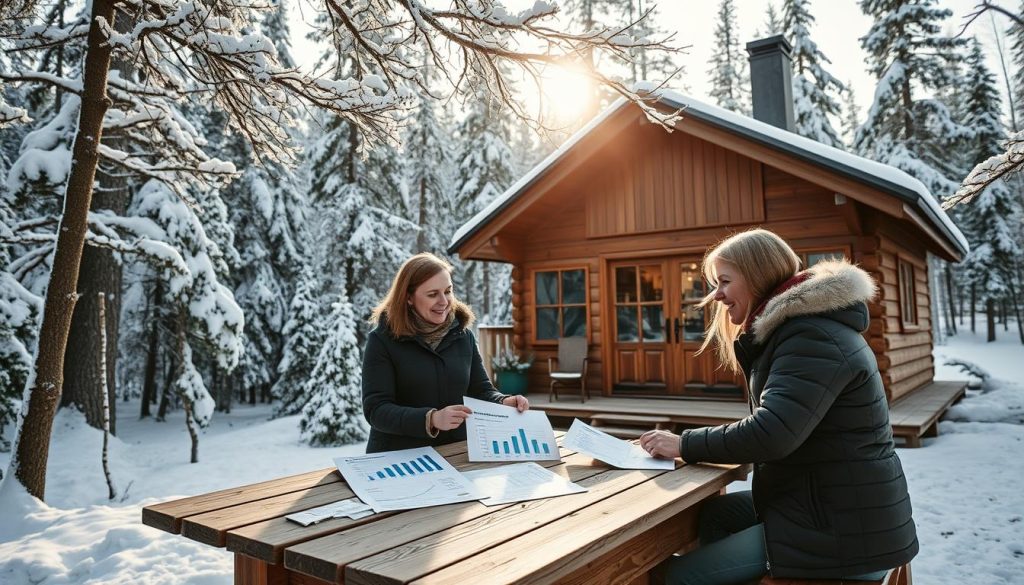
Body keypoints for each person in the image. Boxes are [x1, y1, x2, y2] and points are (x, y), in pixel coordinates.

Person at [639, 229, 918, 585]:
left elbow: (773, 433)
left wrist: (684, 444)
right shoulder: (802, 329)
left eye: (724, 281)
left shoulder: (811, 335)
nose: (716, 295)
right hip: (828, 506)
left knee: (675, 577)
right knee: (717, 515)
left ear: (757, 275)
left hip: (843, 533)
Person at [362, 252, 529, 453]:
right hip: (398, 458)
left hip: (455, 453)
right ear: (408, 297)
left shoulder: (462, 335)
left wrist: (503, 401)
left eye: (448, 291)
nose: (444, 301)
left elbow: (480, 390)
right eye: (433, 294)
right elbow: (376, 410)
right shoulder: (382, 340)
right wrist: (431, 419)